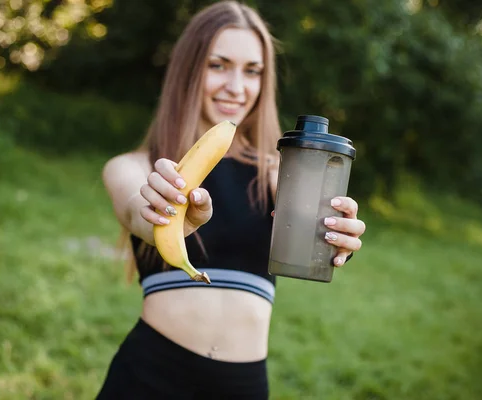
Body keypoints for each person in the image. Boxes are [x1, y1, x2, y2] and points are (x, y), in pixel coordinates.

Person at [97, 1, 366, 398]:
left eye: (252, 71)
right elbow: (139, 215)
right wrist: (167, 217)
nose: (237, 87)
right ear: (189, 70)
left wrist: (338, 239)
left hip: (243, 387)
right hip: (148, 377)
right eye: (218, 65)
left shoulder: (280, 173)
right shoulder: (134, 168)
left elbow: (317, 241)